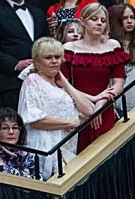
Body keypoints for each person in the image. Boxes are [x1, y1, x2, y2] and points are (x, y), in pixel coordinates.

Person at [21, 37, 99, 180]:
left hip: (67, 147)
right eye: (48, 57)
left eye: (57, 57)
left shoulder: (61, 86)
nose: (54, 61)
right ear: (37, 62)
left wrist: (65, 83)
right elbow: (33, 119)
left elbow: (89, 110)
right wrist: (68, 123)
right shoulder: (32, 80)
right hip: (44, 148)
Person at [0, 107, 39, 176]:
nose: (11, 132)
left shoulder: (26, 154)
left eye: (15, 128)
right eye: (5, 128)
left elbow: (37, 178)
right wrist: (25, 175)